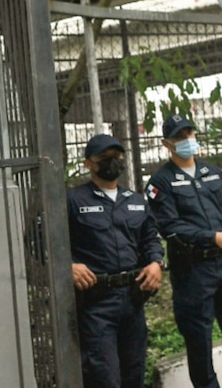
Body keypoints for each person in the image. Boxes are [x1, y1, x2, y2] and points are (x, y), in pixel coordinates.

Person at [145, 113, 222, 388]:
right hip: (192, 273)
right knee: (199, 344)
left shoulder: (213, 172)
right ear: (166, 143)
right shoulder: (159, 182)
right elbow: (170, 227)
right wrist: (213, 238)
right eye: (179, 137)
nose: (187, 140)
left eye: (189, 134)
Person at [67, 133, 163, 388]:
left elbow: (150, 238)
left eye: (117, 157)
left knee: (134, 374)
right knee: (104, 377)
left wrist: (156, 263)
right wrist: (67, 266)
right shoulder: (74, 200)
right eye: (104, 157)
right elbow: (41, 242)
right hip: (96, 303)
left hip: (132, 299)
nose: (112, 162)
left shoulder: (134, 201)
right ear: (88, 163)